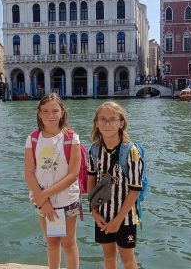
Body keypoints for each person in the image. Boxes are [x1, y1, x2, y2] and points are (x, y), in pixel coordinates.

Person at [24, 93, 81, 269]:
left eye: (55, 111)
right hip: (44, 202)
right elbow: (28, 172)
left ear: (62, 113)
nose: (51, 115)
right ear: (39, 114)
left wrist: (43, 196)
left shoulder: (71, 138)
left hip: (67, 200)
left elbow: (73, 174)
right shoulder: (33, 138)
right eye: (46, 111)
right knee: (53, 243)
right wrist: (44, 201)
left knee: (68, 243)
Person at [88, 101, 144, 269]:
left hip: (125, 217)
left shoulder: (131, 151)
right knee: (109, 257)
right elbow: (91, 180)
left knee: (128, 260)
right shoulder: (94, 150)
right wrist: (94, 211)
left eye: (113, 119)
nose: (107, 123)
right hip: (103, 215)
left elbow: (135, 190)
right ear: (96, 123)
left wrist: (117, 220)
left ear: (121, 123)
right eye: (103, 119)